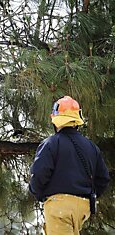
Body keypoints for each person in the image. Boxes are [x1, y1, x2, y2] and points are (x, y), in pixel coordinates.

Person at [29, 96, 110, 235]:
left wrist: (38, 193)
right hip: (83, 208)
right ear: (77, 121)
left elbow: (38, 174)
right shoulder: (91, 147)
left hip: (59, 207)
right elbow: (103, 179)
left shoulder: (50, 144)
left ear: (56, 120)